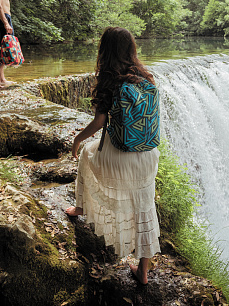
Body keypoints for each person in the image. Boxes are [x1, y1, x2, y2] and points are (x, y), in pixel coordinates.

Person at [67, 26, 161, 285]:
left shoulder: (109, 81)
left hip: (121, 153)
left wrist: (76, 140)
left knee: (87, 152)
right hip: (148, 155)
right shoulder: (146, 78)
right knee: (145, 207)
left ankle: (80, 207)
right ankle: (142, 272)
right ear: (131, 49)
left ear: (104, 51)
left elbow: (99, 123)